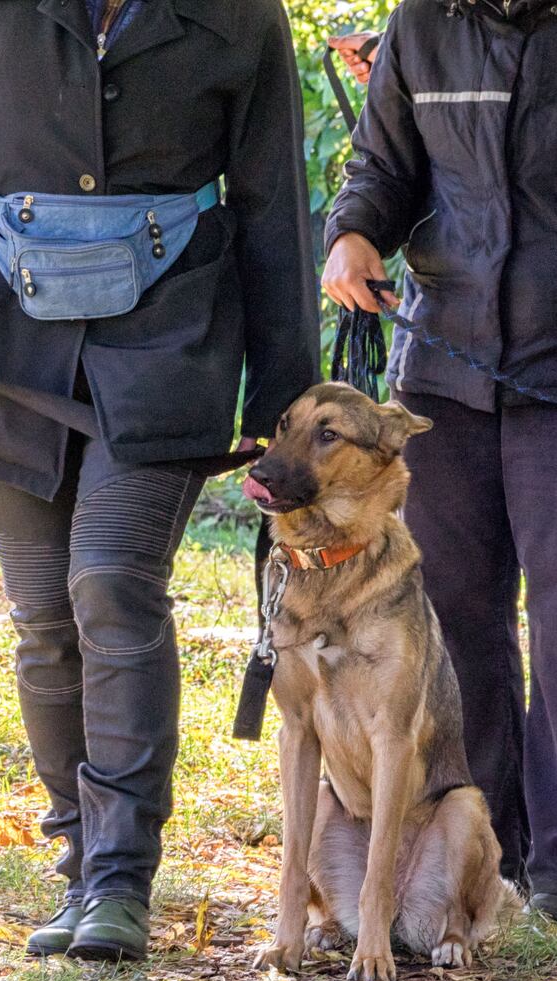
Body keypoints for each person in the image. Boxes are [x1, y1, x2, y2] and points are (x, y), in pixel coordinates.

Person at [0, 0, 317, 960]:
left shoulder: (241, 13)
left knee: (112, 584)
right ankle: (79, 863)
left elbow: (271, 200)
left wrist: (282, 393)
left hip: (173, 342)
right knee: (45, 617)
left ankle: (121, 881)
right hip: (4, 345)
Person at [322, 0, 557, 917]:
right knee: (456, 620)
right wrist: (352, 233)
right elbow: (383, 166)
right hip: (444, 367)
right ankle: (486, 856)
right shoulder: (422, 23)